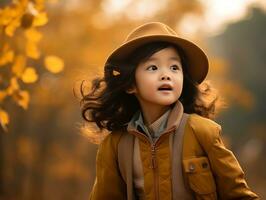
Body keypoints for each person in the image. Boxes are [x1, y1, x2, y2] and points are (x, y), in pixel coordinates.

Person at [79, 22, 259, 199]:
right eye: (153, 68)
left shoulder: (203, 132)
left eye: (174, 67)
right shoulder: (115, 145)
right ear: (131, 85)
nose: (166, 74)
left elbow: (238, 195)